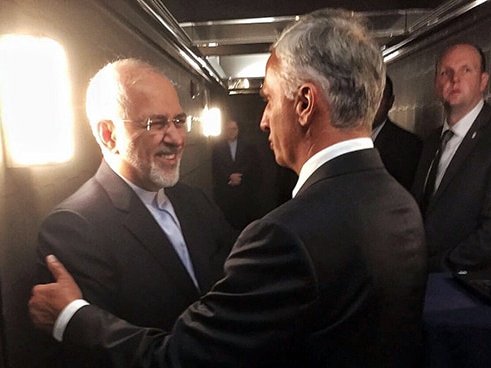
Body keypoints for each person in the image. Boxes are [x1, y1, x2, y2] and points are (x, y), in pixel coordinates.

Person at [29, 9, 428, 367]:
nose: (263, 121)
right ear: (108, 134)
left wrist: (71, 317)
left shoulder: (277, 233)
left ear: (305, 103)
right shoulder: (400, 202)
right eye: (156, 124)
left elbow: (185, 356)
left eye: (268, 101)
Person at [34, 58, 236, 366]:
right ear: (108, 135)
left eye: (179, 121)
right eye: (155, 124)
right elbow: (98, 358)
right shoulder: (74, 228)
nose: (177, 138)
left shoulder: (196, 201)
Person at [410, 43, 491, 273]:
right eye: (445, 73)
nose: (454, 79)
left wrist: (437, 267)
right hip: (422, 280)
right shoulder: (430, 142)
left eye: (466, 70)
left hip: (466, 289)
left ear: (483, 81)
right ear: (437, 84)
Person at [372, 75, 423, 190]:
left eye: (379, 99)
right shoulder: (345, 140)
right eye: (368, 98)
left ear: (390, 102)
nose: (372, 106)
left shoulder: (408, 146)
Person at [212, 118, 262, 230]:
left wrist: (240, 177)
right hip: (226, 193)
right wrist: (229, 177)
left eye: (234, 129)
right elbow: (216, 168)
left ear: (238, 130)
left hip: (245, 192)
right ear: (225, 130)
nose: (231, 131)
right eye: (229, 129)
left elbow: (253, 165)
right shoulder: (217, 148)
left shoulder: (248, 146)